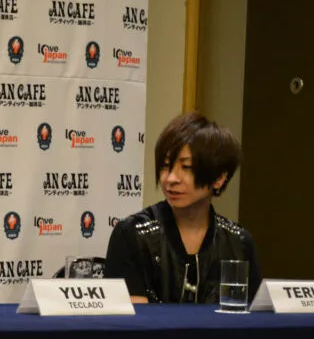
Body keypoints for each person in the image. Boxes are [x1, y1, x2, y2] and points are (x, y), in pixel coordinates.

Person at [104, 111, 261, 303]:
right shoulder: (132, 234)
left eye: (186, 167)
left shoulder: (238, 243)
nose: (171, 178)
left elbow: (249, 316)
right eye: (165, 166)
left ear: (219, 178)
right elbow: (133, 318)